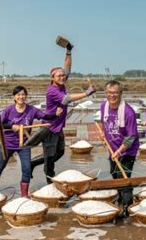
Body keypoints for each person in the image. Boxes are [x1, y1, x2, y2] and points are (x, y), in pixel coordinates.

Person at [28, 42, 96, 183]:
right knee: (49, 157)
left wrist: (68, 51)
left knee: (60, 152)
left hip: (58, 127)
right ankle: (49, 183)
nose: (62, 77)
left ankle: (33, 163)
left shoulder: (62, 84)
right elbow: (66, 99)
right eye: (58, 76)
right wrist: (86, 93)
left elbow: (67, 67)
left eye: (62, 76)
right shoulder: (52, 90)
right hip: (49, 128)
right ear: (52, 78)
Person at [0, 86, 58, 197]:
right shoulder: (8, 110)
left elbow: (45, 116)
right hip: (8, 144)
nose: (21, 97)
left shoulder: (32, 109)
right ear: (14, 97)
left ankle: (24, 195)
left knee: (26, 169)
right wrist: (12, 126)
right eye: (18, 95)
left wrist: (56, 114)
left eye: (23, 94)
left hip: (25, 144)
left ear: (26, 96)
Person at [100, 80, 140, 217]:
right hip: (113, 149)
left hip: (127, 150)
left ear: (121, 93)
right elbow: (104, 123)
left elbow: (131, 137)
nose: (112, 95)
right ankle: (120, 199)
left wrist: (119, 151)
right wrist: (104, 135)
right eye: (109, 93)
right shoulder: (103, 106)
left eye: (115, 93)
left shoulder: (128, 112)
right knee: (114, 174)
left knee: (124, 178)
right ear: (106, 93)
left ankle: (127, 208)